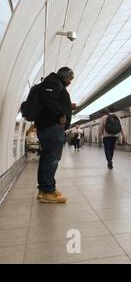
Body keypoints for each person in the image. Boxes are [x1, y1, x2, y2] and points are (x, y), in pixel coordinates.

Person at [35, 67, 74, 204]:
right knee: (52, 159)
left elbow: (52, 100)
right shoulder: (52, 82)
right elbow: (49, 99)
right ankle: (49, 192)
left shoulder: (54, 83)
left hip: (49, 126)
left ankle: (44, 189)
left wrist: (69, 107)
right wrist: (62, 114)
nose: (70, 81)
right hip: (52, 126)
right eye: (70, 78)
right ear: (64, 75)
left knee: (46, 158)